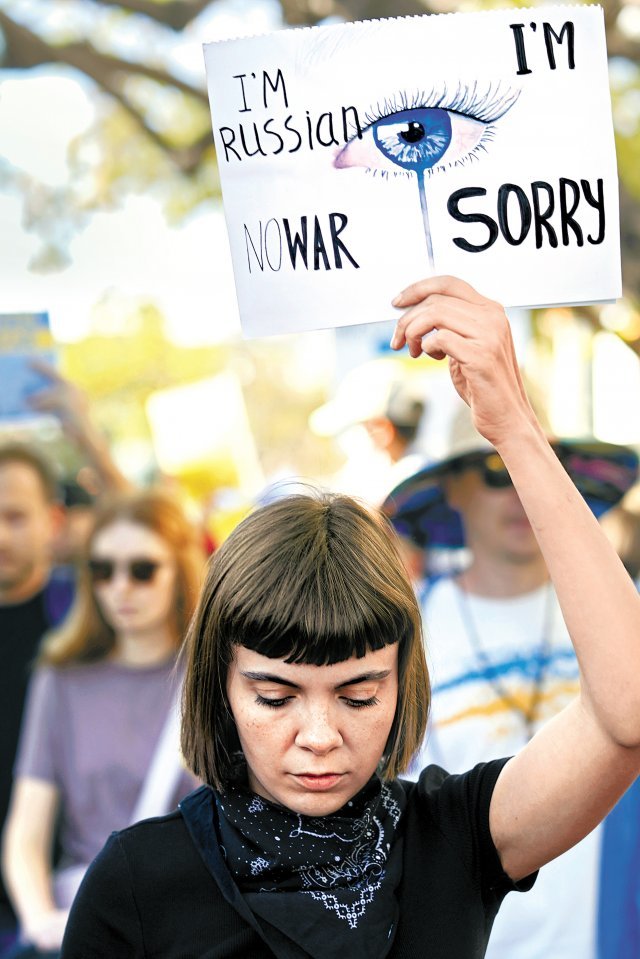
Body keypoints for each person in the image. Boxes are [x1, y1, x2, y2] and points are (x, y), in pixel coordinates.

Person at [59, 277, 640, 959]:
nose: (319, 735)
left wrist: (512, 423)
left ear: (403, 684)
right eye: (275, 696)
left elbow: (626, 710)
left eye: (358, 694)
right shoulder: (137, 882)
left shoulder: (455, 836)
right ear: (221, 684)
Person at [382, 397, 639, 959]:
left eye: (540, 461)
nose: (523, 488)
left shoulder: (626, 619)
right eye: (499, 468)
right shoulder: (399, 640)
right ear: (453, 489)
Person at [2, 489, 205, 958]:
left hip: (191, 920)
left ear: (179, 571)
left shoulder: (214, 673)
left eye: (142, 570)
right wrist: (40, 921)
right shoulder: (62, 676)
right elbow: (26, 832)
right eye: (101, 570)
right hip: (86, 916)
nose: (120, 587)